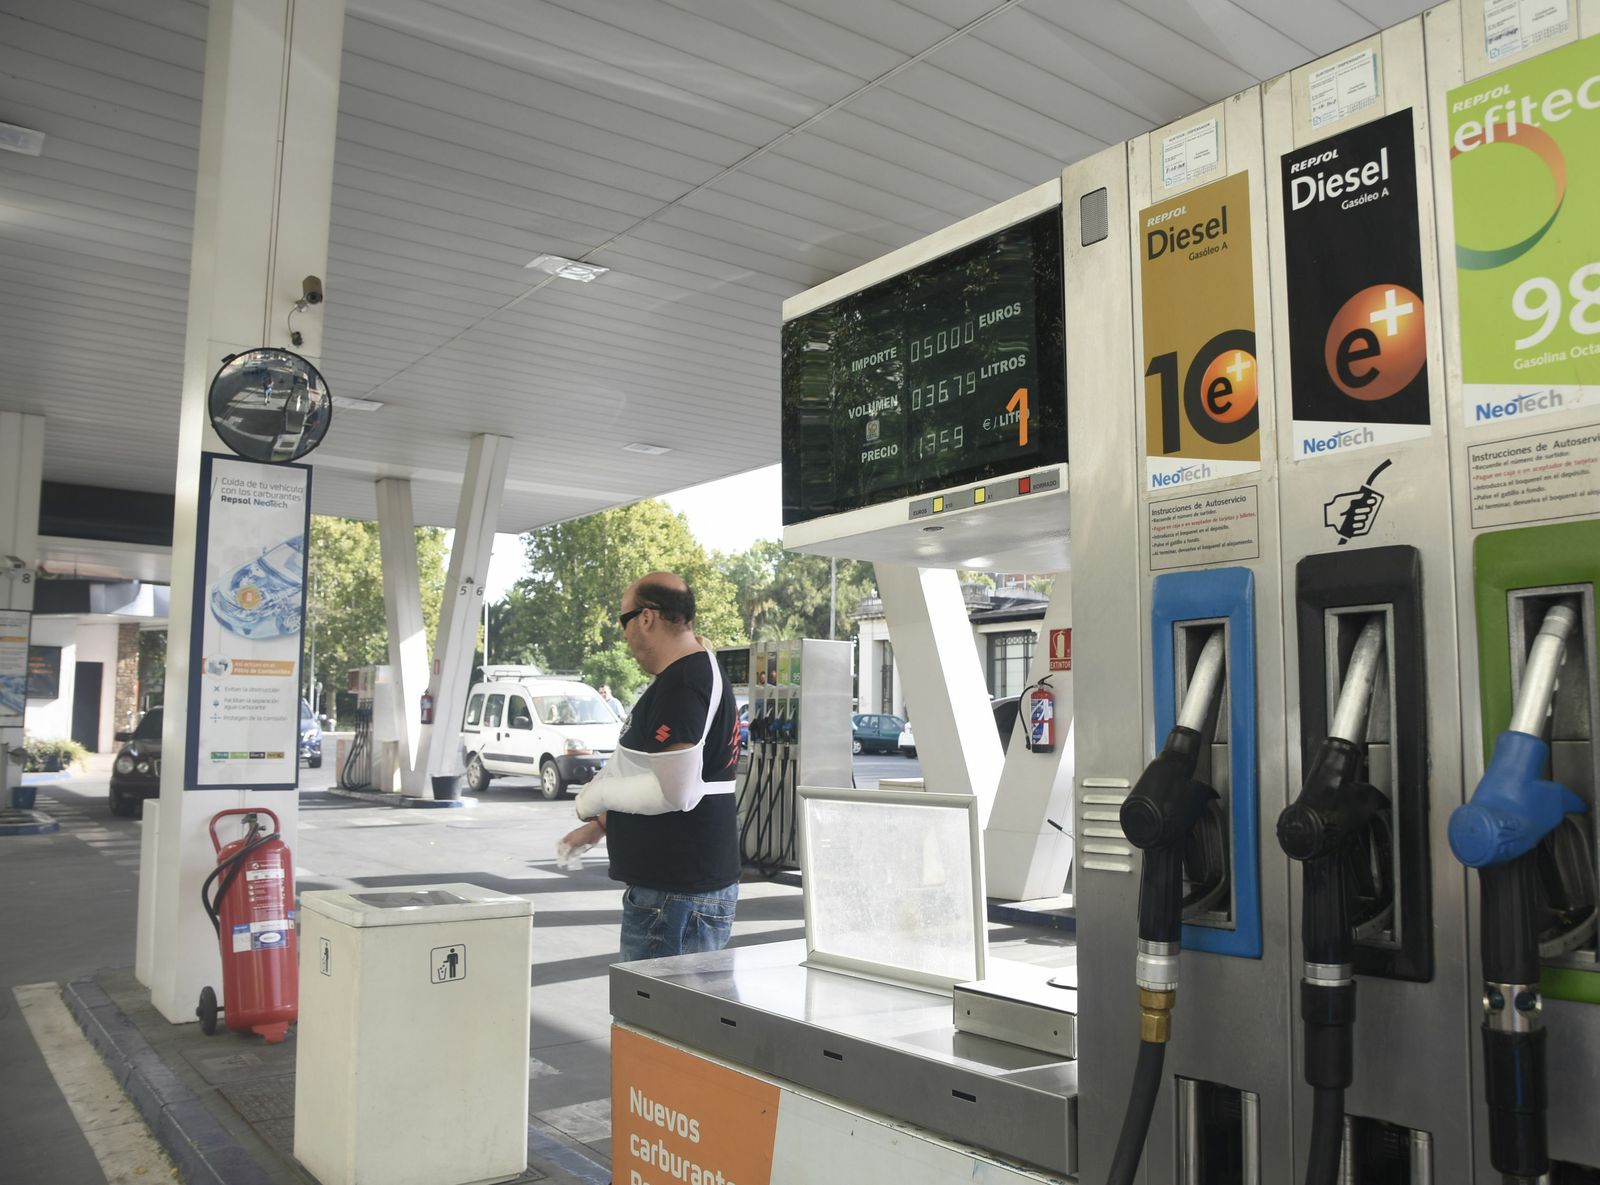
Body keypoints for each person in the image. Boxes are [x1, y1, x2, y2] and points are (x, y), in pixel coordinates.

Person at [560, 572, 742, 960]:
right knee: (661, 1018)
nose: (624, 636)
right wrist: (601, 824)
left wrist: (596, 796)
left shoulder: (683, 684)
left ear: (646, 618)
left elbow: (674, 792)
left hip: (676, 898)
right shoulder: (691, 674)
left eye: (623, 621)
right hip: (677, 894)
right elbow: (657, 775)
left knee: (659, 1019)